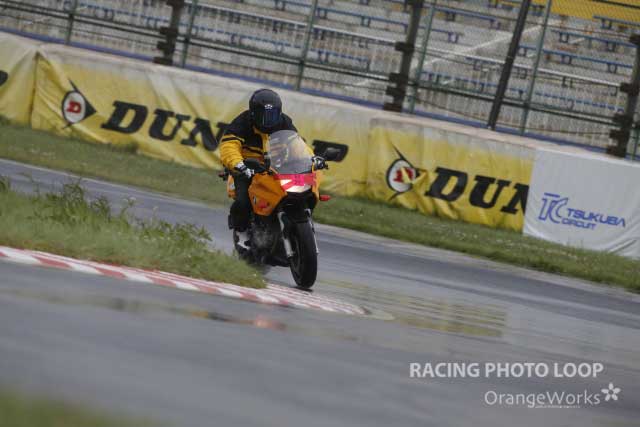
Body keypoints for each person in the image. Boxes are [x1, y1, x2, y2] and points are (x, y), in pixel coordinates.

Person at [219, 88, 297, 248]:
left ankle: (295, 225)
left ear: (279, 112)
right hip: (247, 167)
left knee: (296, 193)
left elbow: (296, 144)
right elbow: (229, 145)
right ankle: (241, 231)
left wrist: (309, 158)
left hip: (276, 166)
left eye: (273, 115)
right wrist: (238, 164)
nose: (268, 120)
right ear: (253, 113)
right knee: (243, 201)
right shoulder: (242, 122)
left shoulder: (284, 122)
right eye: (263, 115)